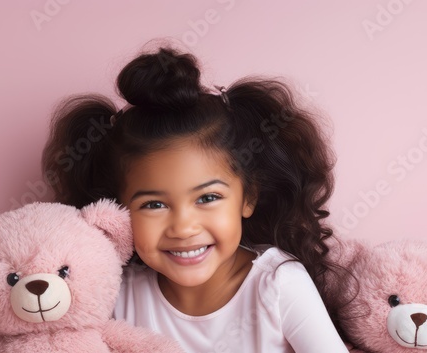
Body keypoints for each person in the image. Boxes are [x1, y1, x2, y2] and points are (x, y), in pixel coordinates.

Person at [40, 44, 355, 352]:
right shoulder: (119, 295)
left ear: (248, 197)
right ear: (118, 210)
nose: (183, 227)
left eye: (208, 198)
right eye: (154, 204)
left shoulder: (278, 286)